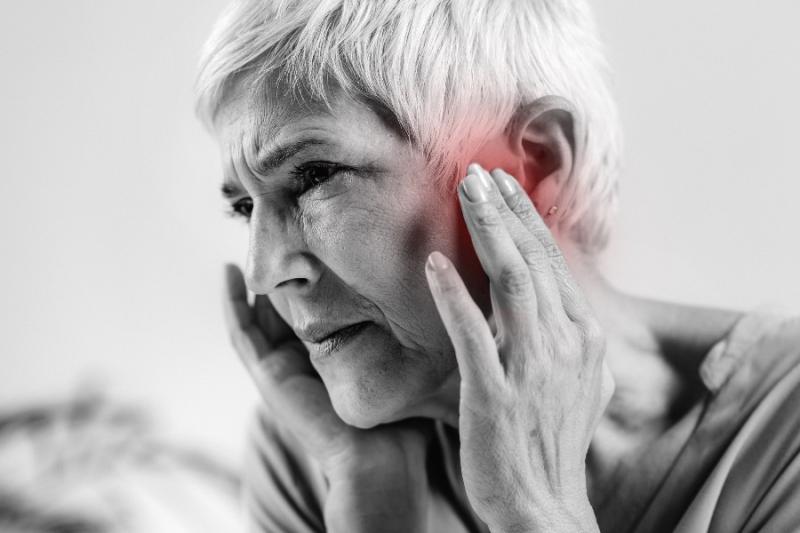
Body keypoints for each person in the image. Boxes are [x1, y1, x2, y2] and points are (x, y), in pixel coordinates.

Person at [195, 1, 800, 531]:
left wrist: (535, 511)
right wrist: (373, 504)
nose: (264, 271)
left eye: (313, 177)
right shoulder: (314, 452)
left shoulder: (783, 431)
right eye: (246, 207)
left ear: (531, 167)